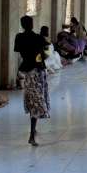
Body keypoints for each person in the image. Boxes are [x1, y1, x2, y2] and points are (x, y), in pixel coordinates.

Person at [14, 16, 50, 146]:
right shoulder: (38, 38)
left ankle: (33, 130)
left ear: (22, 25)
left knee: (31, 99)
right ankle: (31, 135)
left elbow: (19, 51)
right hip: (37, 70)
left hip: (26, 70)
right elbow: (45, 54)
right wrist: (40, 55)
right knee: (36, 100)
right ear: (32, 24)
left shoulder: (19, 37)